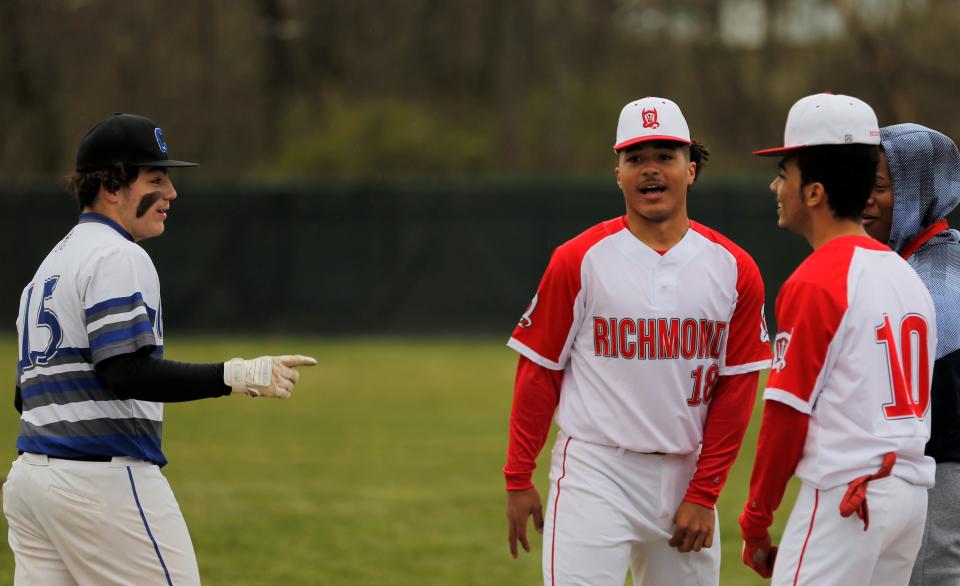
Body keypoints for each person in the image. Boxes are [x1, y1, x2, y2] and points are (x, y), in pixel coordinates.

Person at [2, 113, 317, 586]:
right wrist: (235, 374)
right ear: (111, 185)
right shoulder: (118, 255)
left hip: (31, 482)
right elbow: (124, 371)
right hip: (100, 483)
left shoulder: (49, 268)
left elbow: (24, 396)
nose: (171, 193)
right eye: (156, 178)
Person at [504, 96, 771, 586]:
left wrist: (704, 493)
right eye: (636, 158)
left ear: (691, 169)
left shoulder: (734, 268)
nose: (651, 170)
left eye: (665, 156)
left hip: (685, 475)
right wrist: (518, 477)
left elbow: (736, 389)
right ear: (618, 174)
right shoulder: (579, 259)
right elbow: (539, 370)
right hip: (595, 470)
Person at [740, 94, 937, 585]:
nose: (775, 185)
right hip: (909, 496)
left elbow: (787, 414)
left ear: (814, 192)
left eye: (784, 173)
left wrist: (756, 520)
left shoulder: (817, 280)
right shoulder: (907, 274)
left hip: (851, 496)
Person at [861, 123, 960, 586]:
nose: (864, 198)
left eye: (880, 186)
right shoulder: (900, 262)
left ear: (922, 189)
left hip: (940, 471)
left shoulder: (939, 277)